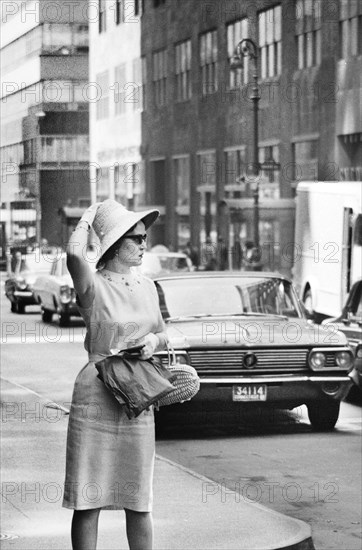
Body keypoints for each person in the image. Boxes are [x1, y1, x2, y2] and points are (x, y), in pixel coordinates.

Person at [62, 199, 168, 550]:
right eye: (135, 238)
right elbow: (75, 255)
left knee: (139, 498)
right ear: (114, 244)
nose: (143, 244)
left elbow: (163, 332)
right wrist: (90, 217)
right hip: (96, 393)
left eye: (144, 237)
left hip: (137, 394)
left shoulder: (149, 287)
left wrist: (152, 341)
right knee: (87, 495)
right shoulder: (93, 284)